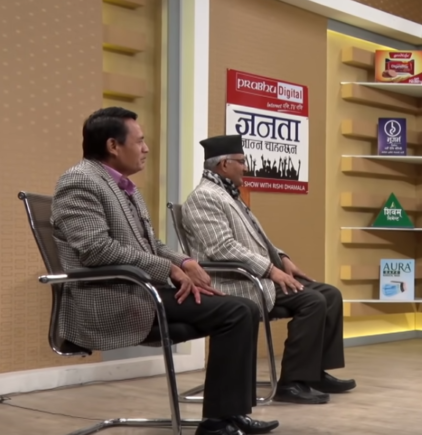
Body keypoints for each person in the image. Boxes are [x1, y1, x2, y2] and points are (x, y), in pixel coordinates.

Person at [51, 107, 279, 435]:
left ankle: (229, 415)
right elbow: (96, 250)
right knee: (237, 311)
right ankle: (219, 422)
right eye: (140, 141)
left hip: (142, 290)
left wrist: (185, 262)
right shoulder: (80, 181)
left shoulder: (123, 186)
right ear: (113, 145)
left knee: (242, 308)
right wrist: (168, 269)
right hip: (113, 297)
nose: (146, 149)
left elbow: (152, 244)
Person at [181, 134, 356, 405]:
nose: (246, 167)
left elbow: (256, 239)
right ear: (224, 165)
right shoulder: (204, 197)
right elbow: (222, 247)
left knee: (330, 294)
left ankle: (314, 374)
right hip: (234, 281)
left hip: (256, 275)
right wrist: (270, 270)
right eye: (241, 161)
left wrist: (282, 258)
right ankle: (292, 383)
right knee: (312, 300)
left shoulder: (229, 194)